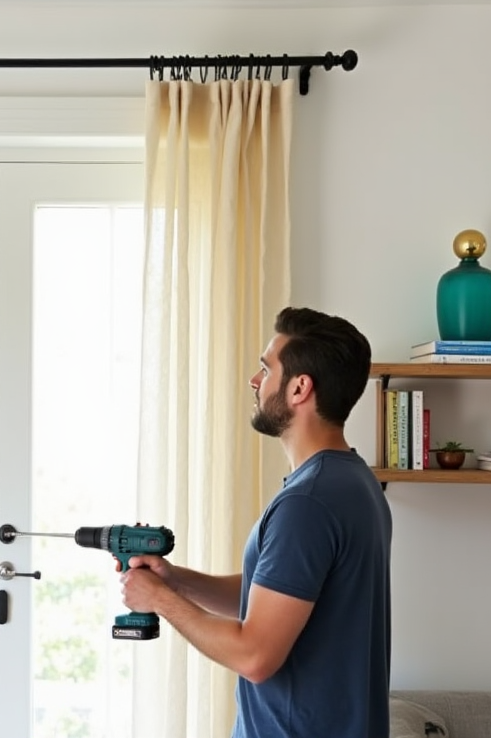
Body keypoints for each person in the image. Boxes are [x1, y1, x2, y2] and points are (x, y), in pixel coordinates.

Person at [120, 306, 391, 738]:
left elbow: (255, 656)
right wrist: (174, 580)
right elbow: (273, 597)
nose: (255, 380)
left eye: (266, 369)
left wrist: (158, 601)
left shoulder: (309, 502)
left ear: (300, 387)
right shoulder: (352, 482)